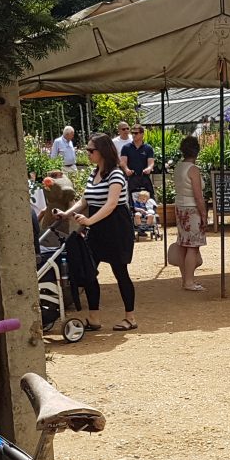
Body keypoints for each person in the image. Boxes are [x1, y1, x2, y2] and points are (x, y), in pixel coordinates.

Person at [57, 134, 138, 331]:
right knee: (89, 271)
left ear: (102, 151)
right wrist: (66, 214)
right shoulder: (93, 173)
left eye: (91, 150)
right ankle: (94, 317)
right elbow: (84, 200)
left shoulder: (116, 174)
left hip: (116, 228)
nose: (88, 154)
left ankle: (130, 317)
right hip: (97, 229)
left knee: (120, 272)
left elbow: (111, 204)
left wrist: (89, 220)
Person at [174, 135, 208, 291]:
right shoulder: (193, 169)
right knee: (193, 246)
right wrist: (204, 214)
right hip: (192, 209)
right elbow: (198, 195)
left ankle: (185, 279)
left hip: (180, 208)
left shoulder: (178, 167)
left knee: (183, 244)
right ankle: (189, 281)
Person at [120, 124, 155, 203]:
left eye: (136, 133)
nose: (133, 135)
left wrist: (149, 168)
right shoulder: (126, 147)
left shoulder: (148, 148)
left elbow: (151, 162)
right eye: (132, 133)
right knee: (132, 201)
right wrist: (126, 170)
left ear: (142, 134)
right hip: (131, 178)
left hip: (145, 178)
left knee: (149, 201)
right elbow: (122, 162)